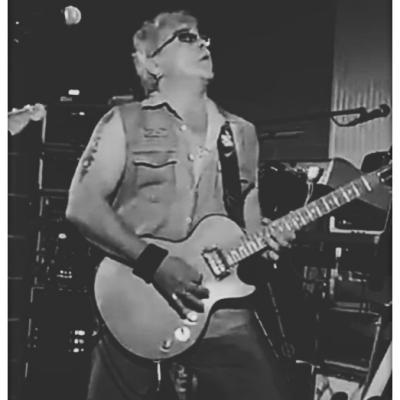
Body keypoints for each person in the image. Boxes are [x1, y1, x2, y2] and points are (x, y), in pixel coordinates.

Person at [66, 10, 295, 400]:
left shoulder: (241, 133)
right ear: (153, 62)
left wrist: (268, 240)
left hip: (220, 311)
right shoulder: (123, 121)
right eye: (187, 37)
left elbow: (249, 226)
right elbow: (82, 207)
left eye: (204, 38)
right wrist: (154, 264)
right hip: (137, 305)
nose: (204, 43)